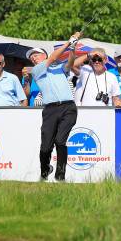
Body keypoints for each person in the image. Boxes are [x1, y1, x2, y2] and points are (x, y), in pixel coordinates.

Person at [28, 33, 80, 181]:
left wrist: (72, 48)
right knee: (45, 146)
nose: (33, 58)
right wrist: (68, 42)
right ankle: (45, 171)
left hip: (68, 107)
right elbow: (53, 57)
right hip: (50, 110)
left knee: (60, 141)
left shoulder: (59, 68)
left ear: (44, 55)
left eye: (36, 55)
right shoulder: (37, 70)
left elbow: (70, 64)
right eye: (31, 57)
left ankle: (60, 175)